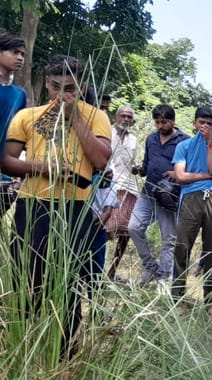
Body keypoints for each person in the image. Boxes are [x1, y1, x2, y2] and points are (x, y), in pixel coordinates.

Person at [2, 55, 112, 355]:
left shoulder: (96, 116)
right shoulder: (28, 116)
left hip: (74, 210)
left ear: (81, 86)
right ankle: (20, 346)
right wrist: (43, 168)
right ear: (45, 83)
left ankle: (63, 353)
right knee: (25, 277)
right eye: (55, 86)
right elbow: (8, 160)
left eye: (69, 88)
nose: (61, 94)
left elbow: (101, 160)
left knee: (70, 282)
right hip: (32, 204)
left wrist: (75, 114)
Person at [129, 104, 189, 288]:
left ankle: (163, 278)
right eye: (157, 122)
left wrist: (176, 173)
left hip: (169, 196)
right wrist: (140, 169)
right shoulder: (151, 139)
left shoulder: (184, 141)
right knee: (134, 227)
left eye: (164, 122)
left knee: (168, 239)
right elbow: (147, 165)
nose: (161, 125)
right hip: (148, 192)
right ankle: (151, 267)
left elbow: (190, 168)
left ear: (172, 121)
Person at [171, 107, 212, 305]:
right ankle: (177, 297)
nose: (205, 126)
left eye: (210, 123)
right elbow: (181, 176)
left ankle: (209, 300)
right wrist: (208, 176)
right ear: (194, 123)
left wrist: (210, 142)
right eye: (202, 122)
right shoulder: (184, 146)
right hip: (190, 197)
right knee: (182, 246)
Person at [105, 106, 140, 276]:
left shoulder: (133, 139)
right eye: (122, 116)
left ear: (132, 121)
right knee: (106, 228)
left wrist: (138, 169)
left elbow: (132, 164)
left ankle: (112, 270)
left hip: (129, 186)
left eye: (129, 117)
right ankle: (95, 268)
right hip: (109, 185)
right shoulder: (106, 133)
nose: (126, 119)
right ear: (115, 118)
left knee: (127, 230)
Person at [0, 30, 26, 215]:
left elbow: (19, 136)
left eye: (22, 54)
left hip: (4, 174)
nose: (20, 58)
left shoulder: (19, 94)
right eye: (14, 52)